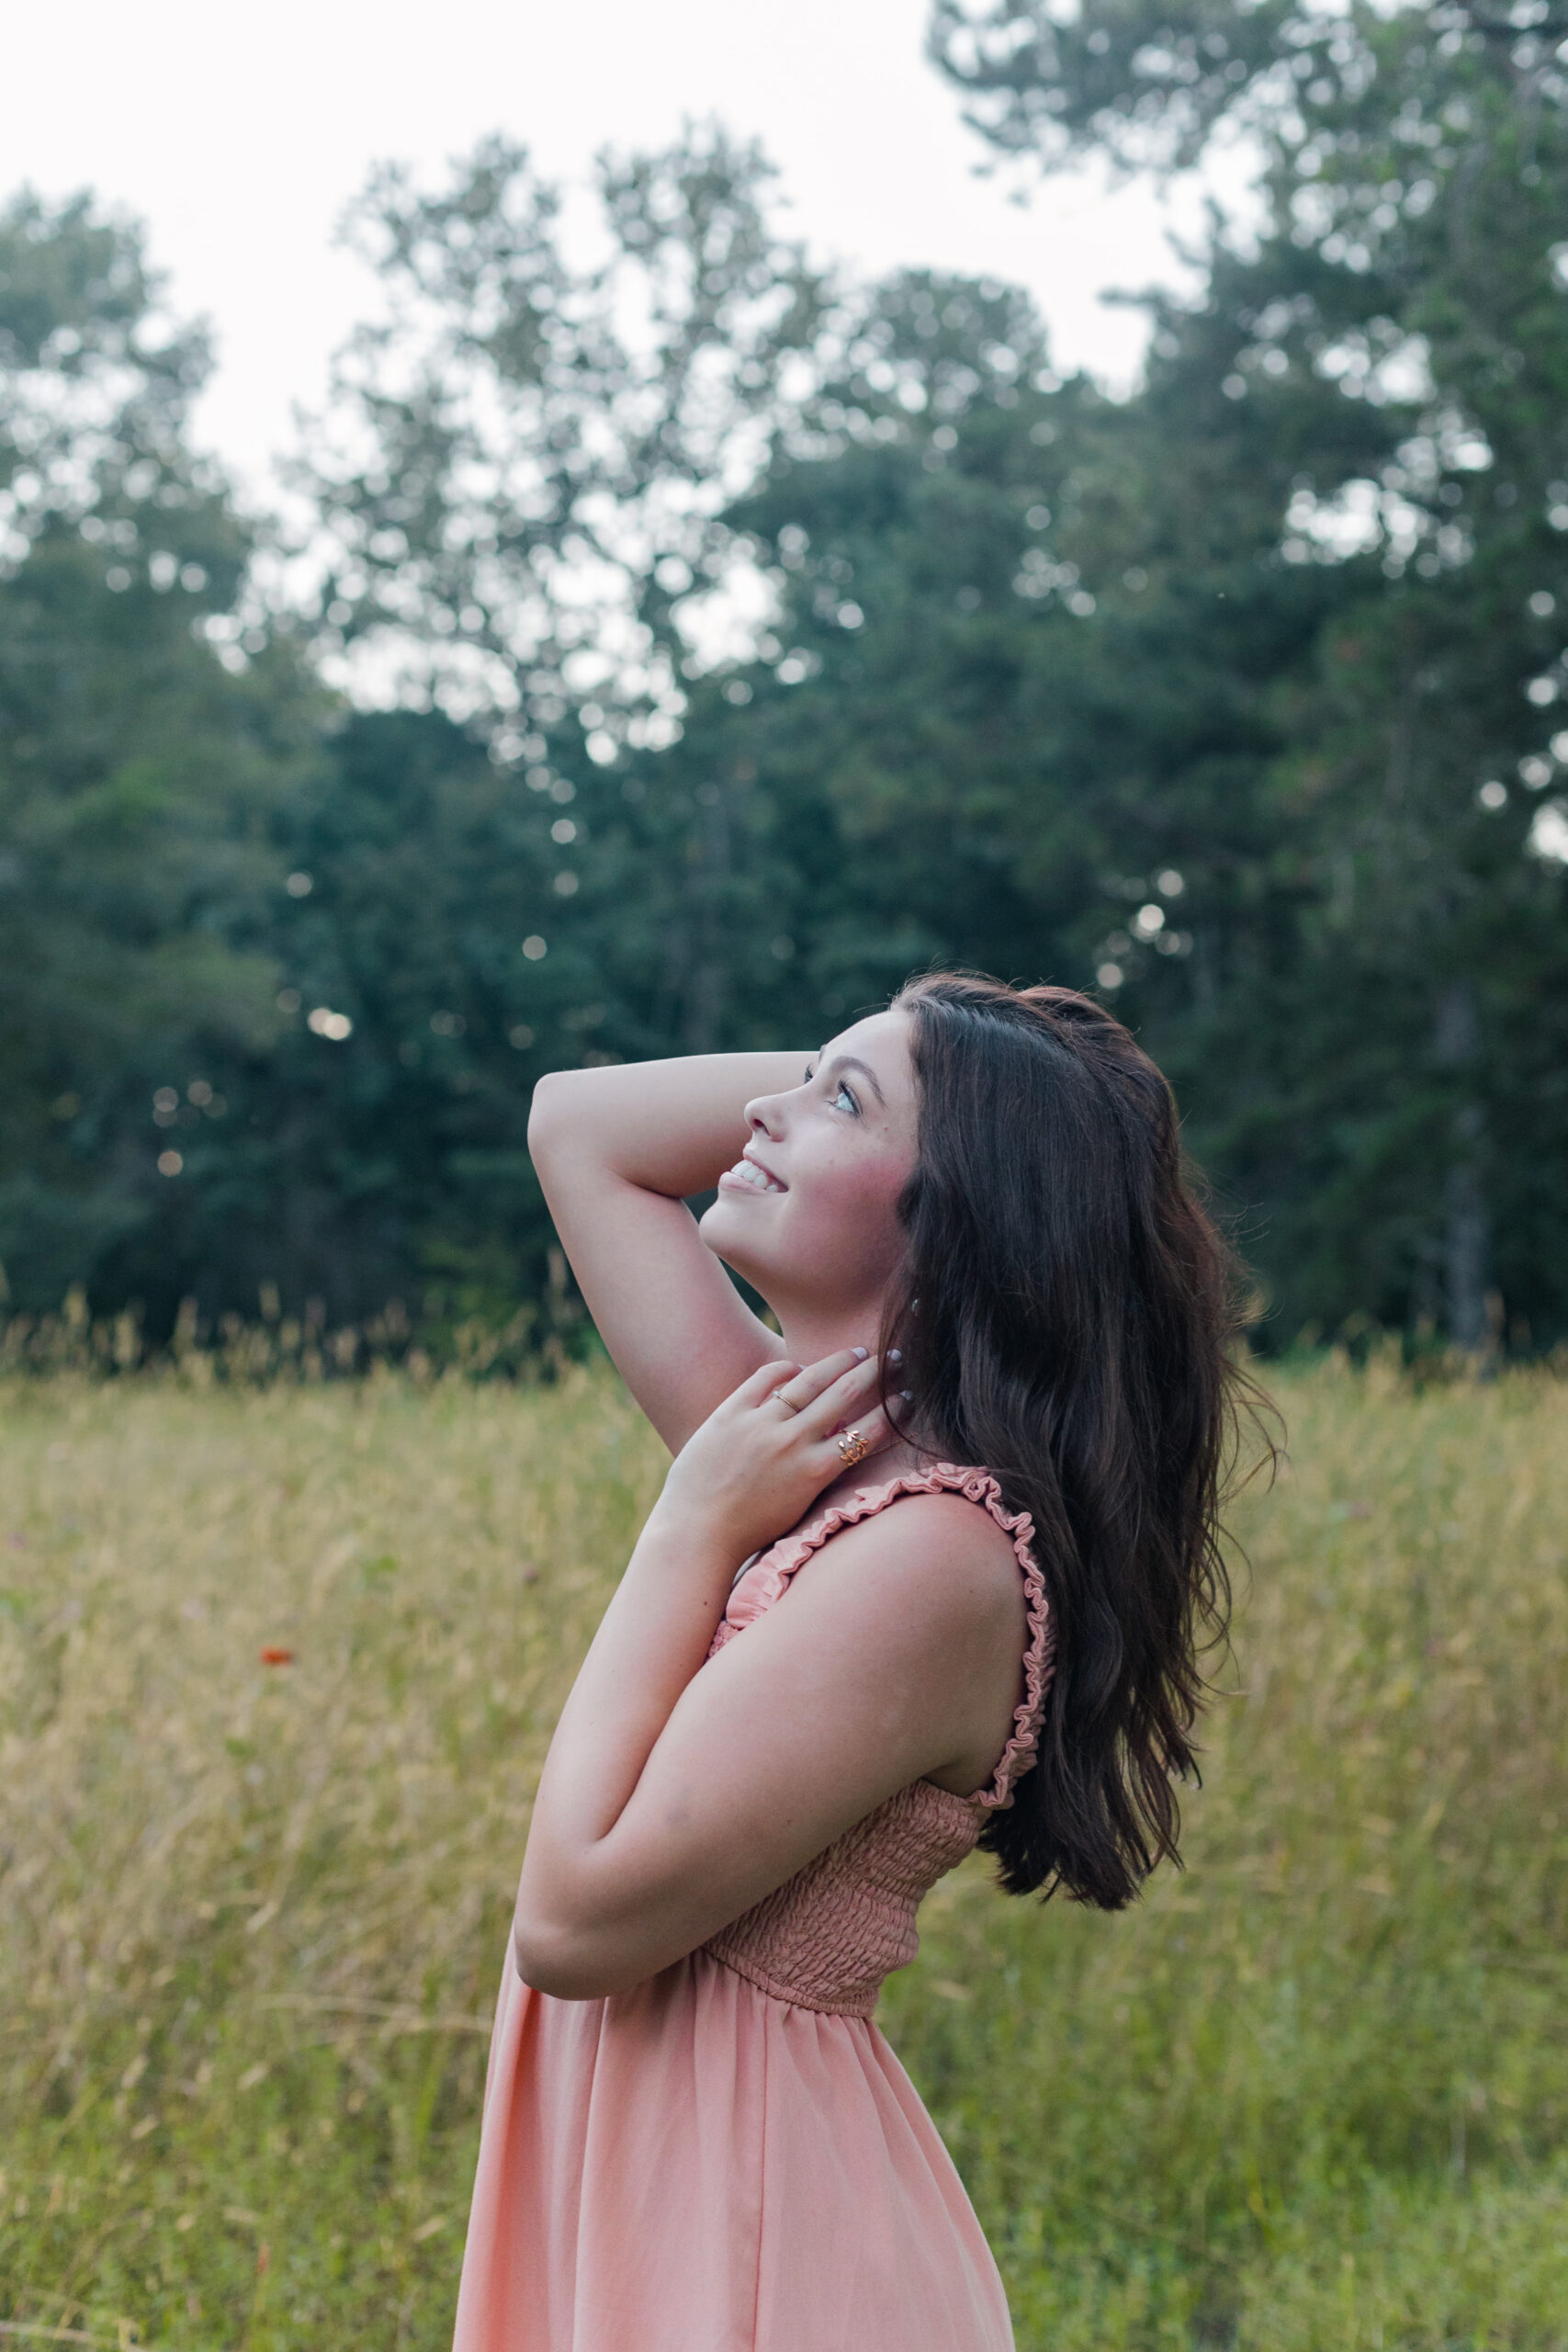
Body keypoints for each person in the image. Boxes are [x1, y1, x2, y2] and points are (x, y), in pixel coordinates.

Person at [452, 972, 1247, 2352]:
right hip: (673, 2186)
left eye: (835, 1102)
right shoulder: (820, 1458)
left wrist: (689, 1521)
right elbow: (576, 1125)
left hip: (759, 2234)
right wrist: (924, 1055)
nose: (759, 1110)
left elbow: (573, 1926)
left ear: (955, 1222)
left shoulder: (931, 1557)